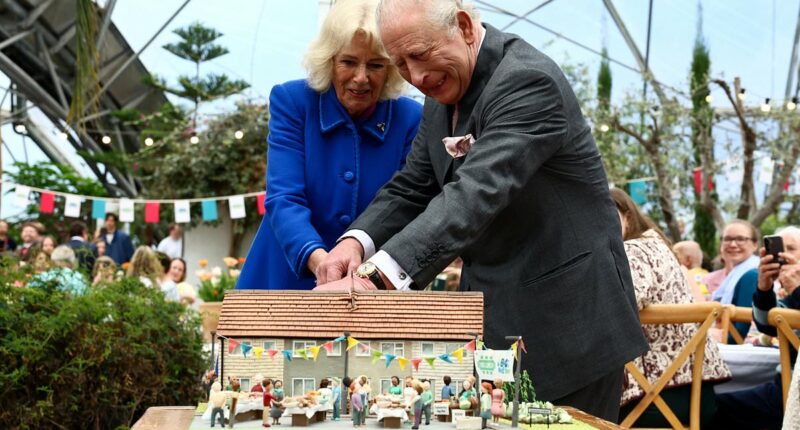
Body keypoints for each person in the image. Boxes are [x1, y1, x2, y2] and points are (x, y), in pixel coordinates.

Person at [314, 0, 648, 420]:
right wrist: (354, 245)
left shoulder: (528, 81)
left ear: (466, 27)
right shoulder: (441, 91)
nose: (416, 77)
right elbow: (414, 185)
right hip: (497, 326)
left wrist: (371, 281)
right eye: (400, 63)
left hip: (568, 326)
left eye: (419, 55)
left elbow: (472, 196)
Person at [235, 0, 422, 291]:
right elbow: (283, 198)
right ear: (329, 59)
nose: (361, 78)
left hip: (367, 288)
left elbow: (407, 207)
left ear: (391, 69)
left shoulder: (410, 118)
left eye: (375, 65)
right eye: (348, 62)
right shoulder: (293, 102)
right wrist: (320, 260)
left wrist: (366, 276)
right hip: (283, 281)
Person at [610, 189, 731, 427]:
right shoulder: (659, 247)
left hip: (653, 401)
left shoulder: (632, 250)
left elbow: (622, 303)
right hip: (698, 395)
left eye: (607, 215)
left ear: (628, 216)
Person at [712, 226, 800, 429]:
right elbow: (767, 325)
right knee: (709, 404)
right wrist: (764, 286)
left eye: (791, 248)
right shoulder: (787, 288)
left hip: (792, 392)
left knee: (710, 409)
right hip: (783, 385)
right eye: (777, 249)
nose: (782, 255)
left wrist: (797, 288)